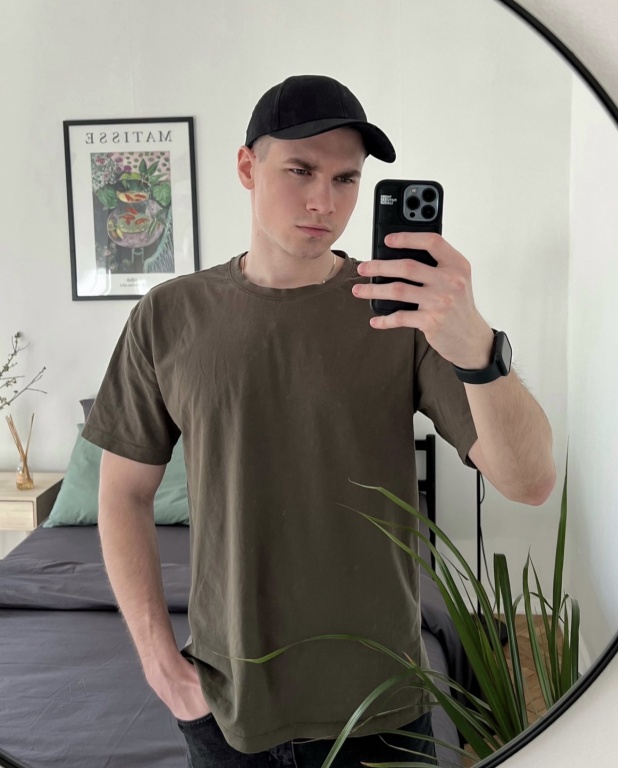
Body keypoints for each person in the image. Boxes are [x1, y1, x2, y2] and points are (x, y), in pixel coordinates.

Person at [83, 74, 556, 768]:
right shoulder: (169, 315)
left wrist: (477, 346)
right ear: (247, 167)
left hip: (384, 704)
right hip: (227, 708)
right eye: (300, 170)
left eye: (346, 179)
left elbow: (530, 482)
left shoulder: (401, 312)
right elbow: (123, 493)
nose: (323, 202)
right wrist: (162, 667)